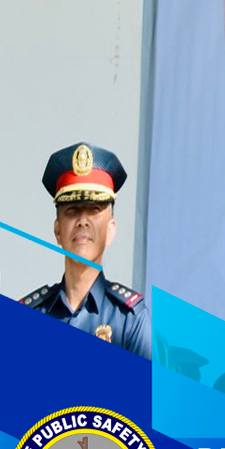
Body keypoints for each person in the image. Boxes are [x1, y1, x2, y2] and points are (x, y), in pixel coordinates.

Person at [21, 144, 151, 356]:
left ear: (111, 230)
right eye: (72, 210)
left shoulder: (129, 321)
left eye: (94, 210)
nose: (82, 221)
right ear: (57, 230)